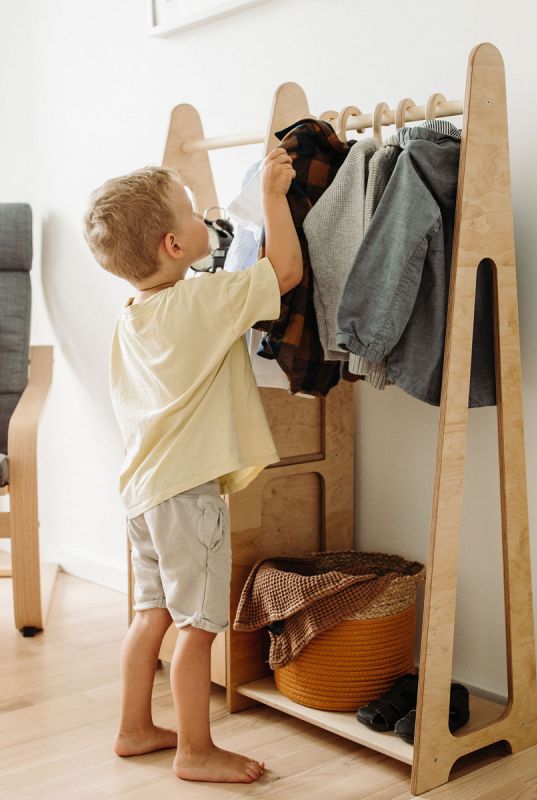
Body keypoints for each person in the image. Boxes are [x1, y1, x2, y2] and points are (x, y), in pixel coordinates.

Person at [82, 148, 300, 783]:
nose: (207, 213)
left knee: (151, 614)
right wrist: (272, 198)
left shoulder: (133, 316)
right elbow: (283, 271)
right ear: (175, 244)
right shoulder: (201, 303)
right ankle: (196, 750)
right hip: (187, 498)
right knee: (198, 627)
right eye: (191, 209)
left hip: (143, 493)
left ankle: (133, 728)